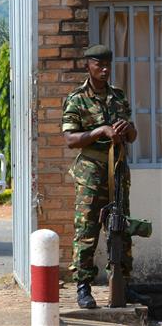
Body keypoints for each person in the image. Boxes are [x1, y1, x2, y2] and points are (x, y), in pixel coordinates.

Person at [62, 45, 139, 309]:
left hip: (117, 172)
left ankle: (123, 286)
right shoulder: (77, 99)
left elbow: (133, 135)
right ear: (88, 66)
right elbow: (71, 139)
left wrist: (127, 129)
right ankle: (84, 287)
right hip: (90, 175)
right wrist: (100, 131)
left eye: (108, 64)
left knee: (121, 228)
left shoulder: (118, 97)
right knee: (87, 231)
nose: (105, 69)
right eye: (99, 65)